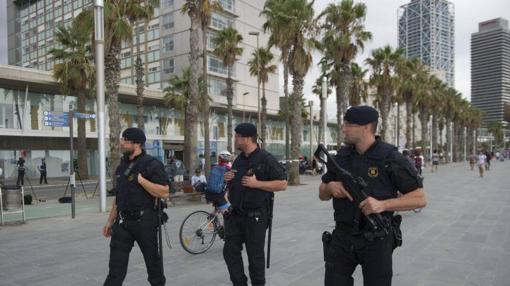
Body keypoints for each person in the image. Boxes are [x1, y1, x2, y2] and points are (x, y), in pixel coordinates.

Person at [318, 106, 426, 286]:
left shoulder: (390, 157)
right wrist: (329, 187)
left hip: (376, 240)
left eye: (349, 125)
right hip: (342, 238)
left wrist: (383, 205)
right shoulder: (341, 156)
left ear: (366, 127)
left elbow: (420, 198)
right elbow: (322, 194)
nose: (343, 129)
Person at [102, 127, 170, 286]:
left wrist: (142, 181)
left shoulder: (152, 164)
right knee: (115, 270)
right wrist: (110, 222)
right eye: (122, 139)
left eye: (125, 140)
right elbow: (119, 198)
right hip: (123, 223)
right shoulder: (121, 167)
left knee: (154, 267)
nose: (121, 143)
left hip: (144, 222)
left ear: (137, 144)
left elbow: (165, 192)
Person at [223, 122, 288, 286]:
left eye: (237, 136)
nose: (235, 139)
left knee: (255, 257)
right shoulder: (239, 159)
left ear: (247, 139)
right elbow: (237, 180)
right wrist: (229, 177)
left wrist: (257, 184)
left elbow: (282, 183)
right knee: (230, 251)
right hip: (236, 215)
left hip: (255, 217)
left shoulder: (265, 158)